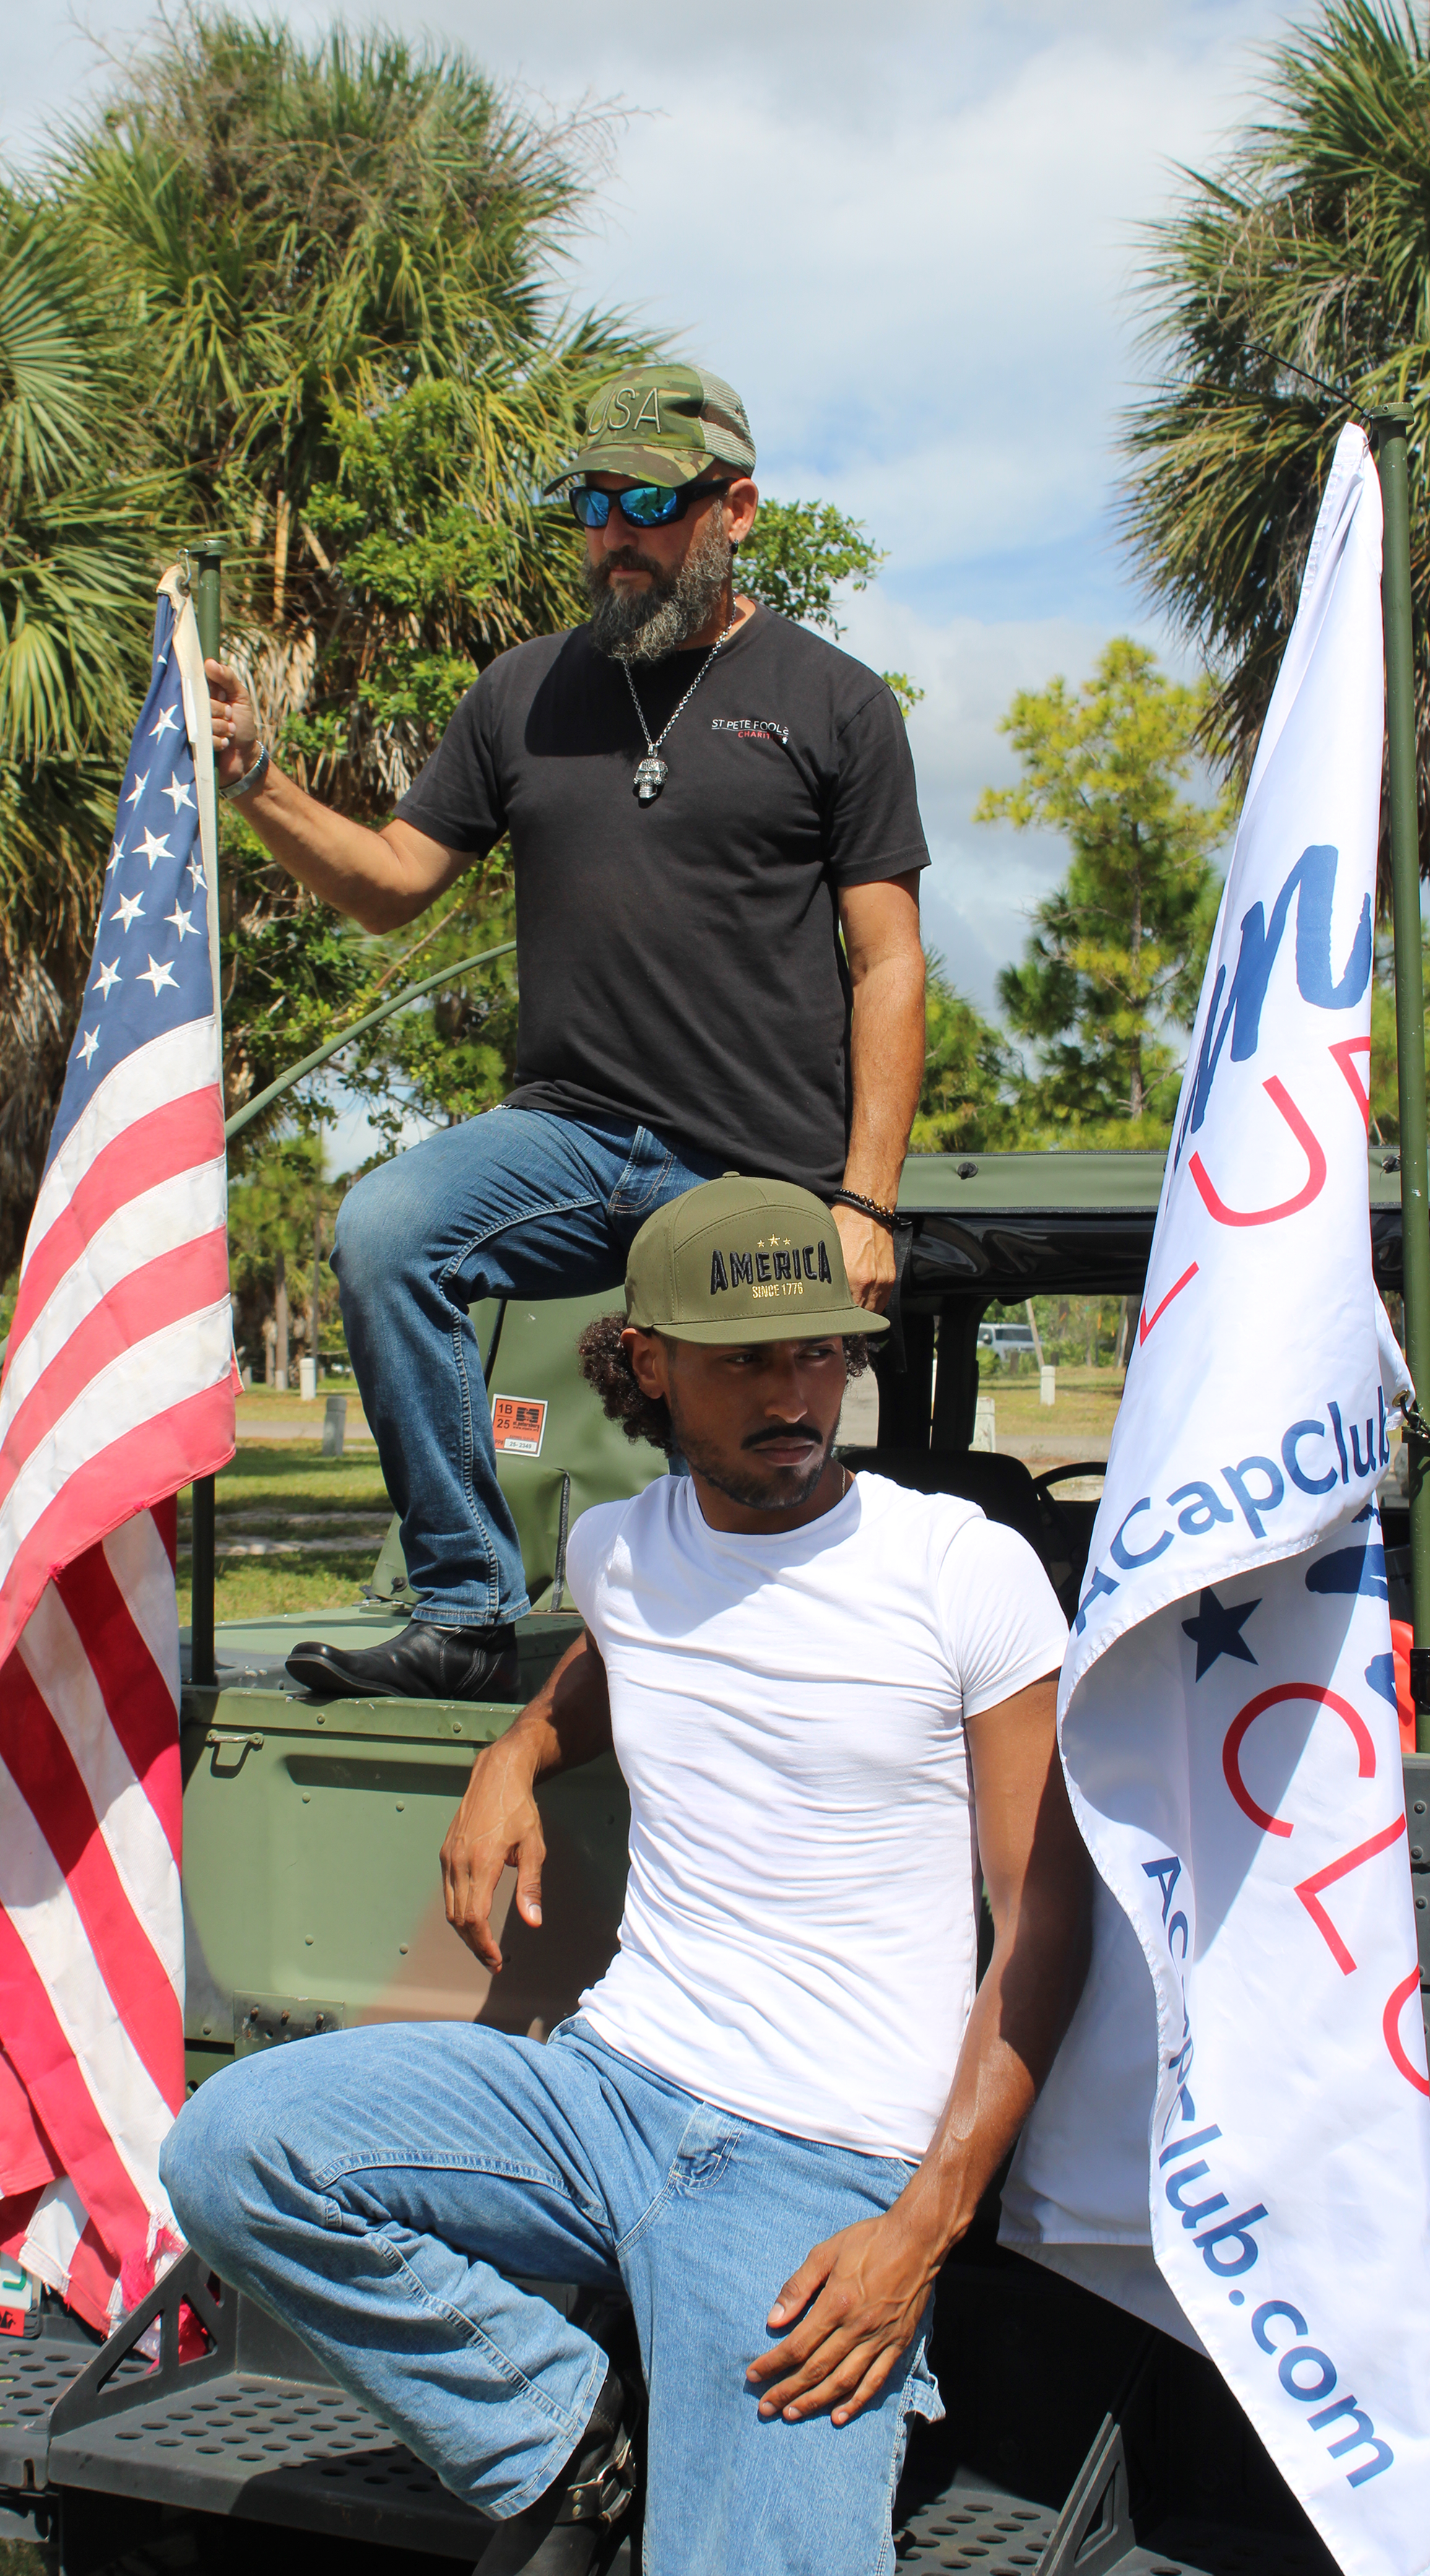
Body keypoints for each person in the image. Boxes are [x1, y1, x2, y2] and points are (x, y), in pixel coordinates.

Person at [160, 1175, 1091, 2576]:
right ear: (649, 1361)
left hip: (819, 2161)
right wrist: (517, 1752)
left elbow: (1046, 1917)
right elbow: (623, 1658)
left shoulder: (960, 1571)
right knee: (233, 2149)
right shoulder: (619, 1551)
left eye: (821, 1350)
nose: (797, 1391)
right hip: (608, 2088)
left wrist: (921, 2228)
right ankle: (573, 2428)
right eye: (748, 1359)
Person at [204, 363, 929, 1702]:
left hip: (752, 1167)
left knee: (729, 1498)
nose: (614, 534)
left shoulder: (834, 702)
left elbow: (888, 963)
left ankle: (756, 1678)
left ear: (737, 511)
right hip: (571, 1136)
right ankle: (469, 1605)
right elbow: (391, 884)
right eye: (591, 503)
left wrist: (863, 1200)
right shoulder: (523, 693)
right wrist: (255, 778)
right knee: (384, 1231)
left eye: (649, 500)